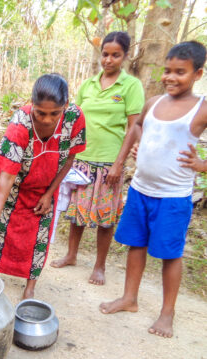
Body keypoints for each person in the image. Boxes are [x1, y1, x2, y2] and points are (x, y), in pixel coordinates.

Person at [99, 41, 207, 338]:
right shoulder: (154, 102)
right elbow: (137, 127)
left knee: (170, 255)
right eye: (167, 71)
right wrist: (134, 148)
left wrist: (201, 164)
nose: (171, 77)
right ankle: (129, 298)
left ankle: (167, 313)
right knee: (136, 244)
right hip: (140, 190)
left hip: (173, 197)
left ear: (197, 74)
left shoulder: (201, 109)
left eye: (180, 72)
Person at [0, 74, 86, 299]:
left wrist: (49, 194)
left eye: (54, 113)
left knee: (39, 237)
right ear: (31, 104)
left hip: (45, 186)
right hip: (13, 182)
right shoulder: (20, 124)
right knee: (0, 233)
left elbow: (70, 159)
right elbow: (6, 178)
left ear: (65, 104)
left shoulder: (74, 118)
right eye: (40, 113)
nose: (46, 120)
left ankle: (30, 287)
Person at [52, 32, 145, 285]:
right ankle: (71, 255)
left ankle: (100, 266)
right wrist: (65, 152)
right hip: (82, 158)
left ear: (124, 56)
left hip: (108, 163)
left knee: (105, 216)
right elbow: (74, 118)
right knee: (77, 211)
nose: (109, 60)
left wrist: (119, 163)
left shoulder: (130, 86)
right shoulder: (89, 84)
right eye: (105, 54)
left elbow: (134, 127)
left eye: (115, 55)